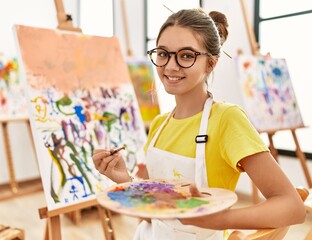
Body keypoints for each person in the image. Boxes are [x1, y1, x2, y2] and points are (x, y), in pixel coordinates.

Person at [92, 8, 306, 240]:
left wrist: (218, 218)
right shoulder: (159, 125)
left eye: (186, 56)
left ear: (211, 64)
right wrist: (124, 179)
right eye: (163, 53)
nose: (170, 66)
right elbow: (158, 214)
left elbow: (292, 207)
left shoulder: (226, 119)